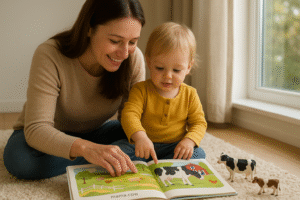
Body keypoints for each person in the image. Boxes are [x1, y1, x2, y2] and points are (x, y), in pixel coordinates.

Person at [3, 0, 146, 180]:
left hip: (97, 133)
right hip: (46, 136)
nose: (124, 53)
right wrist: (86, 149)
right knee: (20, 160)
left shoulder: (133, 59)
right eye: (115, 41)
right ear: (89, 28)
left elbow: (133, 119)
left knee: (149, 137)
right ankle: (102, 158)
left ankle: (104, 157)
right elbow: (37, 128)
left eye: (133, 42)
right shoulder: (50, 55)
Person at [112, 22, 207, 164]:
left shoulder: (190, 94)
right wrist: (140, 138)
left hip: (173, 147)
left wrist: (189, 141)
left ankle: (166, 164)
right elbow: (129, 115)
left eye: (176, 70)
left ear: (188, 67)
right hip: (141, 145)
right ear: (149, 62)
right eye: (160, 68)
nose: (168, 76)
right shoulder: (140, 90)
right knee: (116, 153)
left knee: (198, 154)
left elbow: (199, 123)